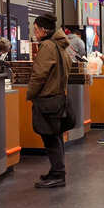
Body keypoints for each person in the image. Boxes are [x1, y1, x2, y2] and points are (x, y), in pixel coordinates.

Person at [27, 14, 72, 188]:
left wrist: (30, 93)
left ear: (43, 30)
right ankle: (56, 171)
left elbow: (39, 74)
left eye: (36, 29)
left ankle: (58, 174)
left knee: (50, 137)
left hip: (47, 99)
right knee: (56, 135)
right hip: (59, 97)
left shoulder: (47, 46)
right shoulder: (60, 45)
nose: (35, 32)